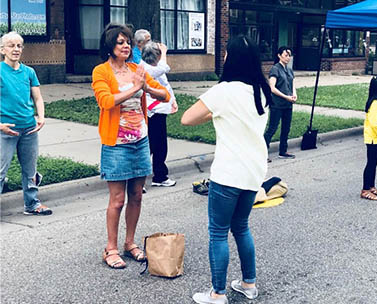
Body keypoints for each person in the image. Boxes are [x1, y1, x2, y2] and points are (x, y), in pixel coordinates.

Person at [181, 36, 272, 304]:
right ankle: (248, 284)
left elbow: (187, 119)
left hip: (228, 173)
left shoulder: (223, 91)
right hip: (253, 172)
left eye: (225, 53)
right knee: (241, 228)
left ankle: (217, 293)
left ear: (232, 58)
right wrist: (219, 114)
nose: (223, 57)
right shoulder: (261, 90)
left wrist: (214, 113)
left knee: (218, 232)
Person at [92, 23, 169, 269]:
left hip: (140, 141)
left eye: (127, 42)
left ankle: (130, 243)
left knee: (136, 196)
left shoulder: (137, 69)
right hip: (116, 143)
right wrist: (135, 88)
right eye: (120, 42)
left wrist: (145, 86)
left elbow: (164, 94)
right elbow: (105, 101)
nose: (126, 46)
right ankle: (110, 248)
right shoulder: (101, 72)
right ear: (110, 47)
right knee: (117, 199)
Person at [0, 32, 52, 215]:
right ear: (2, 50)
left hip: (29, 129)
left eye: (19, 46)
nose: (16, 49)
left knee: (30, 170)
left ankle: (32, 204)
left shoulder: (29, 72)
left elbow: (37, 98)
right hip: (5, 130)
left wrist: (41, 117)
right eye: (11, 45)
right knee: (0, 171)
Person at [141, 41, 178, 187]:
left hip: (160, 110)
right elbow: (165, 68)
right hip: (151, 112)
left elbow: (166, 86)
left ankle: (160, 175)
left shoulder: (157, 69)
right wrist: (164, 53)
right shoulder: (145, 69)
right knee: (150, 145)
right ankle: (141, 180)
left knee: (160, 145)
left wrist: (172, 101)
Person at [263, 46, 296, 160]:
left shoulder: (289, 69)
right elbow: (272, 88)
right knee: (272, 128)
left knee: (286, 128)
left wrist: (293, 94)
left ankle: (283, 151)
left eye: (289, 55)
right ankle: (262, 154)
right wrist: (286, 97)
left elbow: (293, 84)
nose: (288, 58)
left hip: (288, 104)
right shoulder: (275, 69)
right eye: (285, 55)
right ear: (279, 55)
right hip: (277, 104)